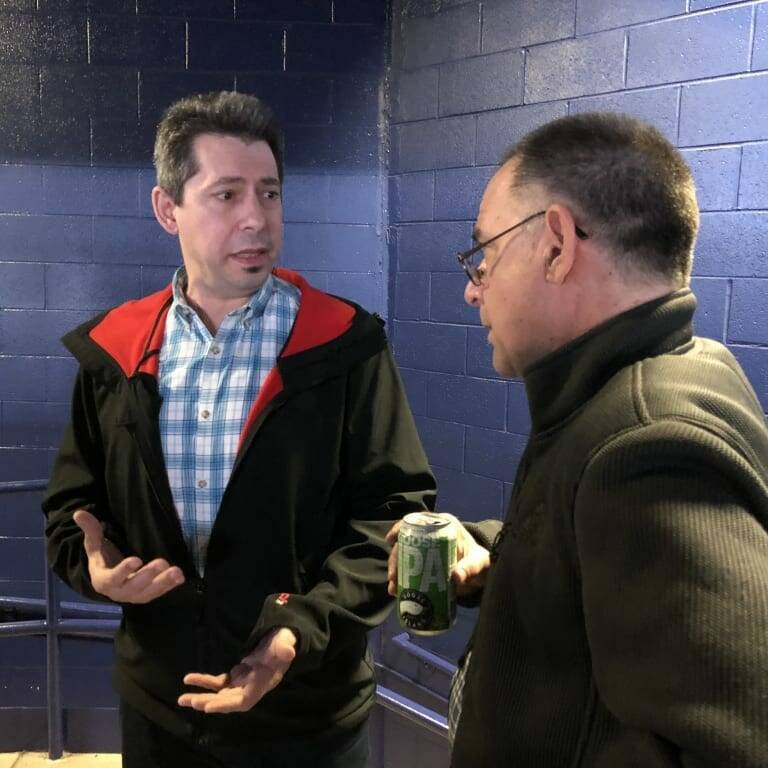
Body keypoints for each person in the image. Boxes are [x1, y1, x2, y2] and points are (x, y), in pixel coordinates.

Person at [42, 91, 436, 768]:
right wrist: (97, 573)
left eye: (270, 193)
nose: (257, 218)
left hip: (308, 713)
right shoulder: (115, 354)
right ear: (169, 209)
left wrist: (296, 633)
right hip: (160, 708)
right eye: (226, 195)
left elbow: (393, 520)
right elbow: (70, 514)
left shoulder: (344, 347)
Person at [387, 112, 768, 767]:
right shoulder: (645, 383)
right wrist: (491, 553)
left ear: (557, 245)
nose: (472, 290)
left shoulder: (647, 446)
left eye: (485, 253)